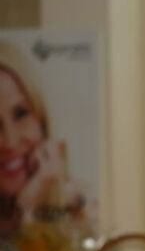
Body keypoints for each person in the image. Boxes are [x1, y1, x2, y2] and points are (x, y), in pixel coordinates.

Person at [0, 41, 84, 235]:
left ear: (41, 119)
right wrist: (26, 213)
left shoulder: (80, 210)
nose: (11, 141)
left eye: (21, 114)